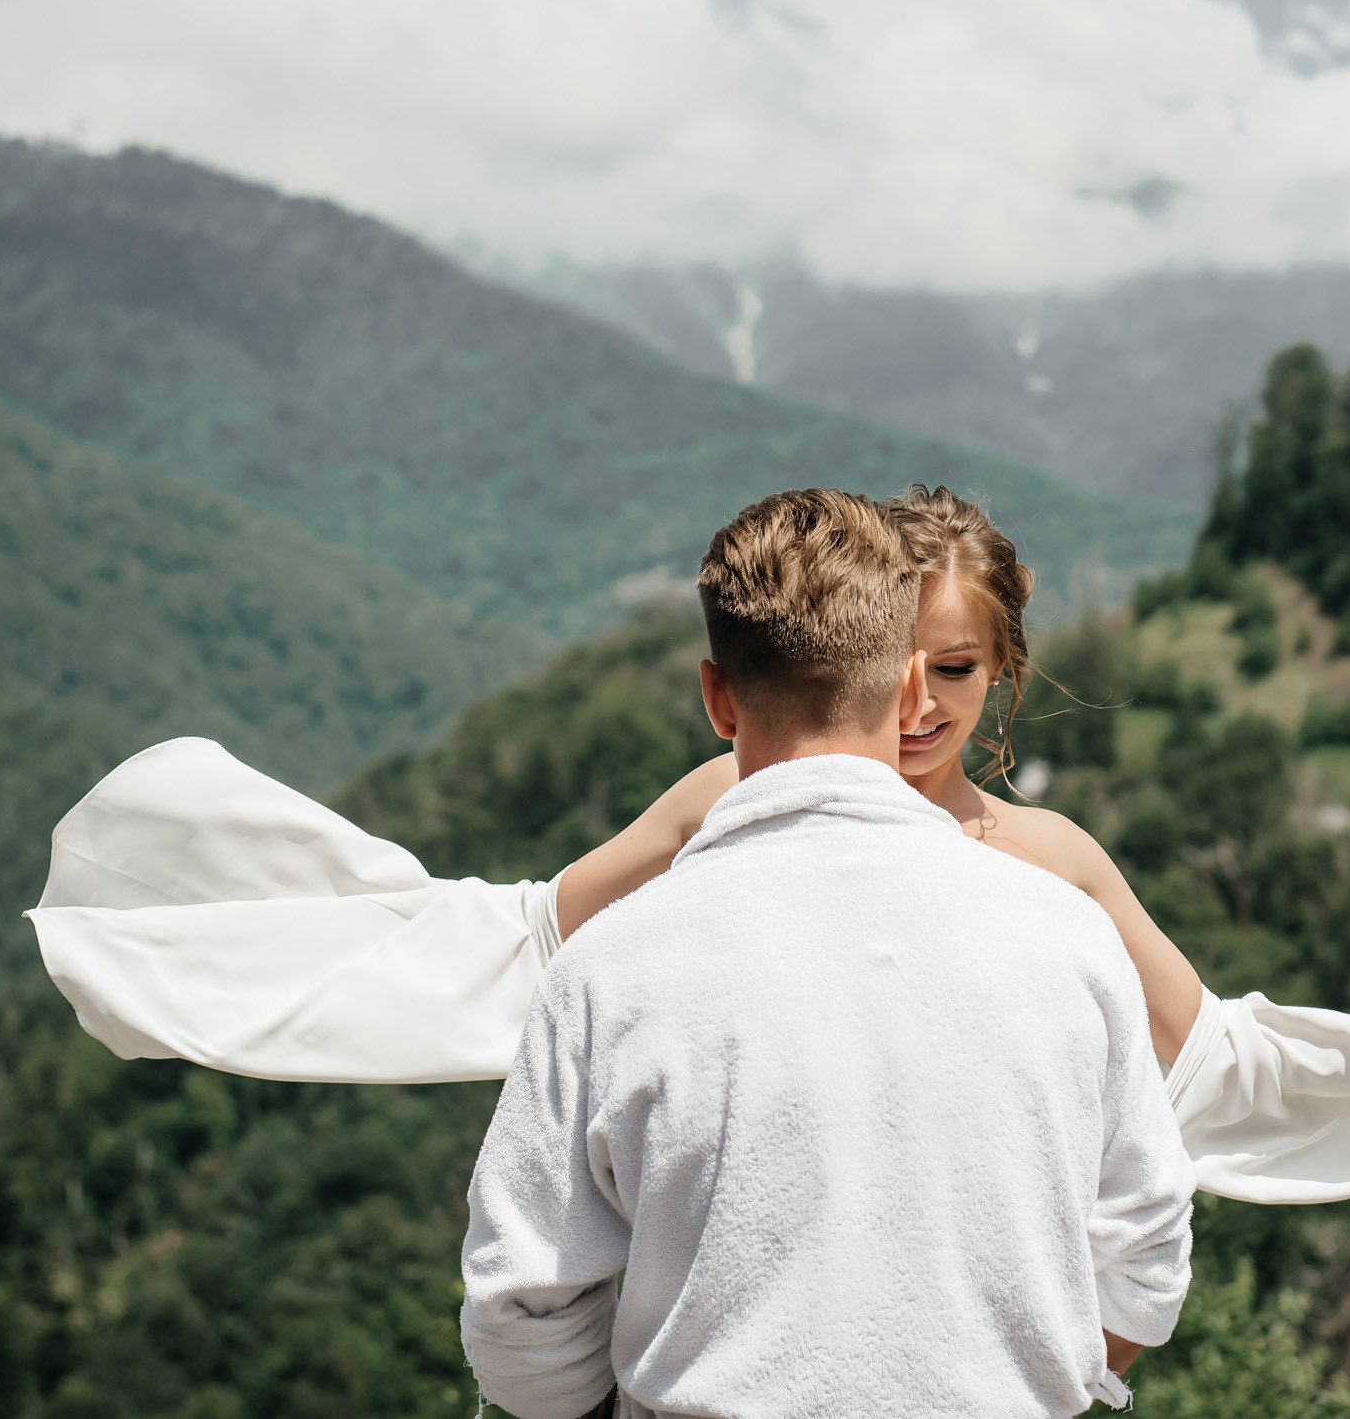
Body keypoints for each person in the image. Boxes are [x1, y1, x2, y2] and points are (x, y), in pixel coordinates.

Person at [27, 486, 1350, 1209]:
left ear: (1003, 674)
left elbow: (1213, 1068)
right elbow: (527, 949)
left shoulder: (1051, 858)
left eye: (958, 669)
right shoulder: (718, 802)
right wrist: (225, 936)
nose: (920, 703)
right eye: (900, 662)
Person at [459, 488, 1194, 1417]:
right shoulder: (1069, 930)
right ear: (904, 682)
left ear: (718, 696)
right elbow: (1149, 1242)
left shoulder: (610, 969)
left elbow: (521, 1308)